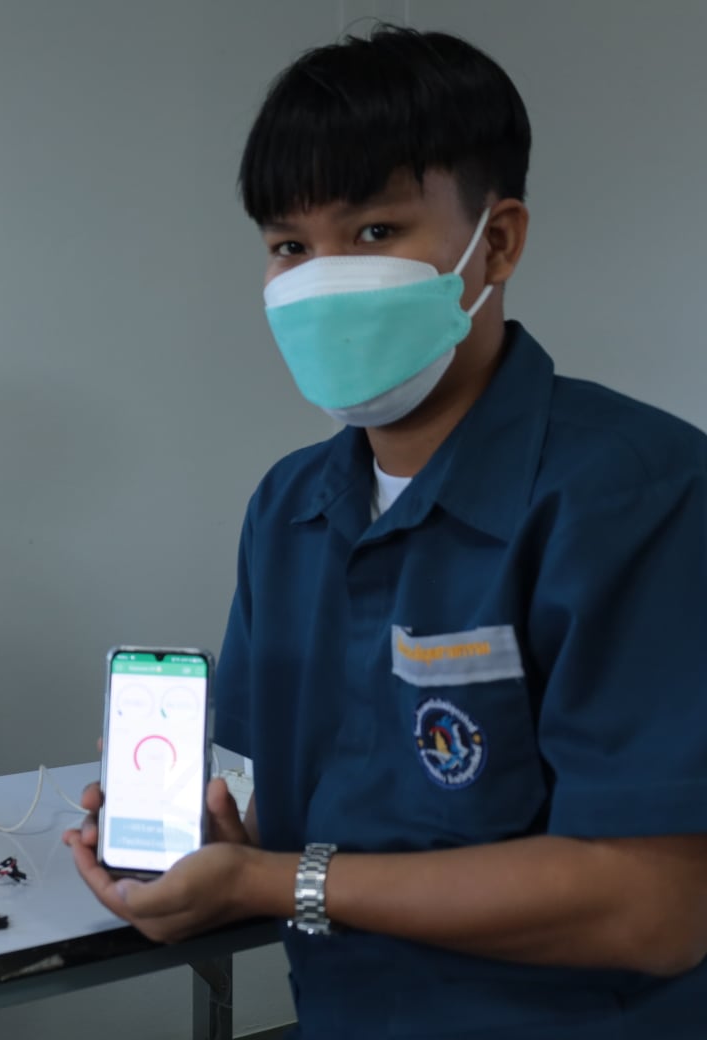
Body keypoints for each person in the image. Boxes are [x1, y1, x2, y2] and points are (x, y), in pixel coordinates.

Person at [67, 26, 707, 1037]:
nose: (320, 277)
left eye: (372, 233)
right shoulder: (291, 507)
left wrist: (281, 880)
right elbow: (326, 803)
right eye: (289, 246)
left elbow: (655, 905)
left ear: (494, 243)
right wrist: (214, 850)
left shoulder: (638, 491)